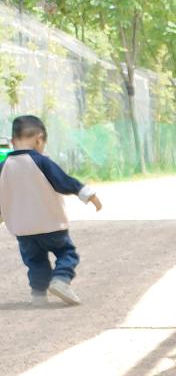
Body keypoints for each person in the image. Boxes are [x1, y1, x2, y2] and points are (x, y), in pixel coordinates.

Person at [0, 115, 102, 306]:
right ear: (39, 139)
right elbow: (63, 181)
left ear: (13, 141)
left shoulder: (3, 167)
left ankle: (38, 295)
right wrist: (88, 194)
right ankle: (61, 280)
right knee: (66, 253)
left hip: (23, 230)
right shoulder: (42, 162)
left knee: (35, 261)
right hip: (51, 224)